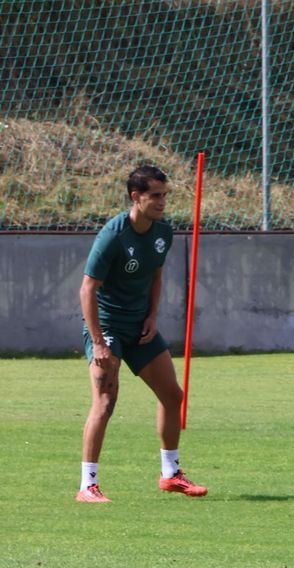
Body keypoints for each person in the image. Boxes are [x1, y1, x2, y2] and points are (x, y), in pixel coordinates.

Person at [76, 164, 207, 502]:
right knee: (105, 402)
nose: (163, 202)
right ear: (136, 197)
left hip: (140, 326)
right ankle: (87, 485)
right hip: (108, 326)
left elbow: (156, 275)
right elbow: (87, 289)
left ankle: (170, 474)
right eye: (155, 196)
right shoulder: (114, 235)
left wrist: (152, 315)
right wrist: (100, 343)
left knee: (173, 395)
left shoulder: (164, 232)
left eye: (165, 195)